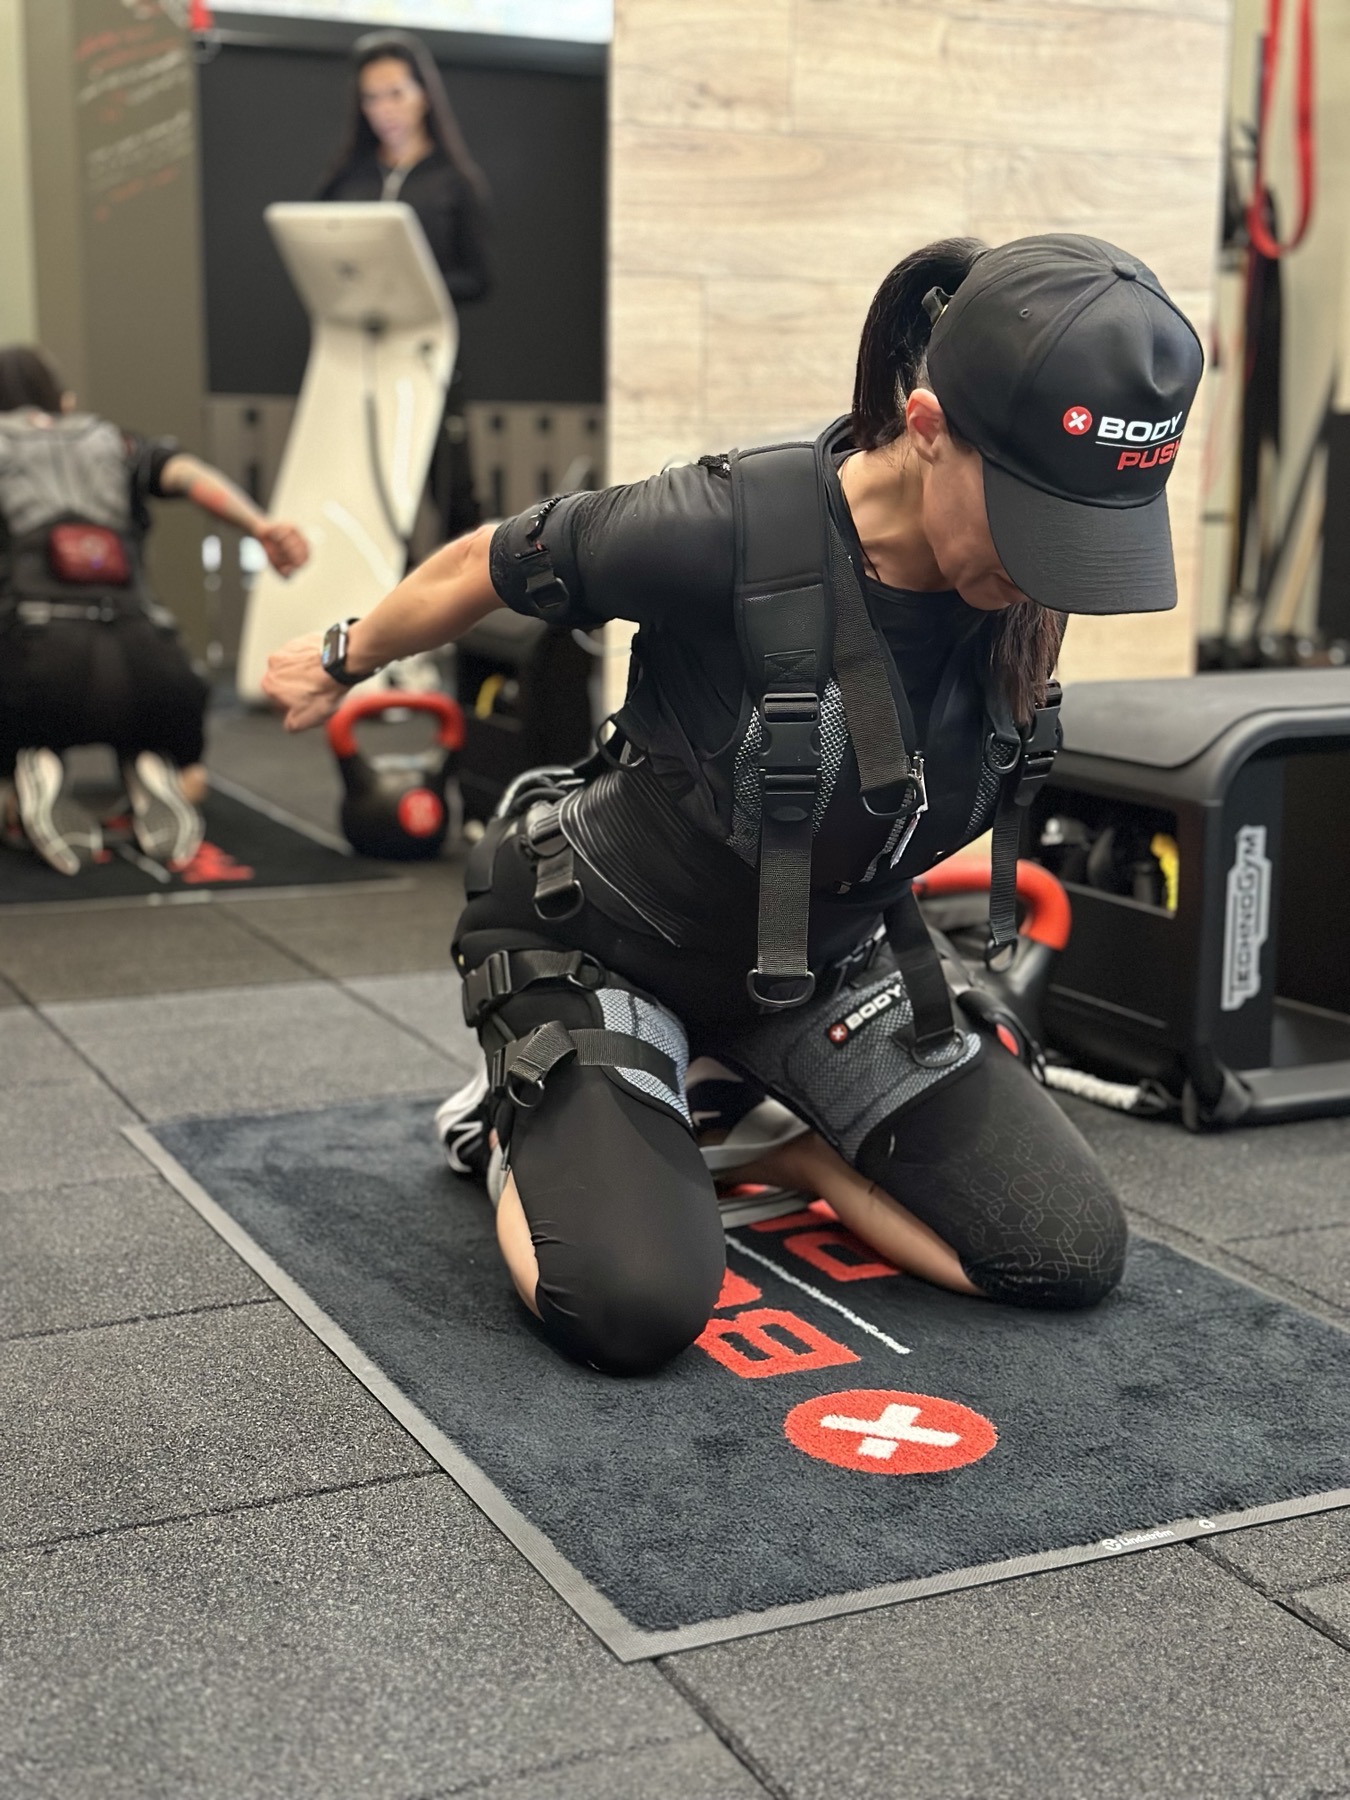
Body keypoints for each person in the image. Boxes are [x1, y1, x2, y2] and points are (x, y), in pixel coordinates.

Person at [262, 233, 1204, 1377]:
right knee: (629, 1305)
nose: (1055, 573)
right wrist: (342, 655)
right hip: (608, 941)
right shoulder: (726, 526)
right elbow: (486, 563)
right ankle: (522, 1118)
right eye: (1036, 523)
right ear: (926, 426)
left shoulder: (1016, 591)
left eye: (1088, 538)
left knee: (1063, 1253)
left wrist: (814, 1153)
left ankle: (777, 1135)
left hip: (820, 966)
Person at [0, 345, 309, 875]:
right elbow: (188, 476)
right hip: (150, 662)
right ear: (63, 400)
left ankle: (29, 767)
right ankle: (152, 762)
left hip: (35, 669)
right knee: (189, 768)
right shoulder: (114, 441)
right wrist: (261, 526)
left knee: (20, 726)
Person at [317, 30, 491, 541]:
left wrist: (416, 288)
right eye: (372, 97)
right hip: (354, 360)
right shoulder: (346, 182)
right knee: (359, 493)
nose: (385, 109)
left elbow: (480, 279)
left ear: (423, 95)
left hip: (426, 359)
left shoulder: (453, 182)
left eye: (396, 93)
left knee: (450, 492)